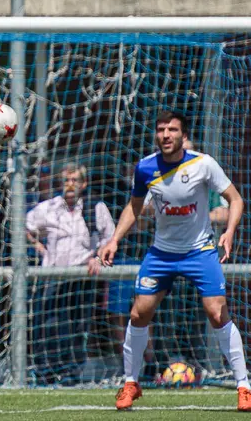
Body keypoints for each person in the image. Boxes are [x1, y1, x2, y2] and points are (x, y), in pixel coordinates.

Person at [98, 111, 250, 411]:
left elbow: (236, 199)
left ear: (183, 135)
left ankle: (244, 386)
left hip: (200, 251)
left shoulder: (202, 163)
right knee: (139, 313)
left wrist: (230, 231)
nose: (166, 134)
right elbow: (134, 206)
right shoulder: (144, 168)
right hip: (162, 253)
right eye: (161, 130)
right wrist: (114, 239)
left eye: (172, 130)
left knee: (217, 312)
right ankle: (131, 383)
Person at [25, 162, 115, 384]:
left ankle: (71, 374)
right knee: (49, 325)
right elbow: (26, 227)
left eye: (75, 180)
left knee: (78, 327)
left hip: (82, 275)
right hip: (54, 275)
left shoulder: (96, 208)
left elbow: (110, 238)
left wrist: (98, 258)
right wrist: (40, 249)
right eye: (66, 180)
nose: (70, 185)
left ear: (83, 184)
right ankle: (45, 372)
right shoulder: (50, 208)